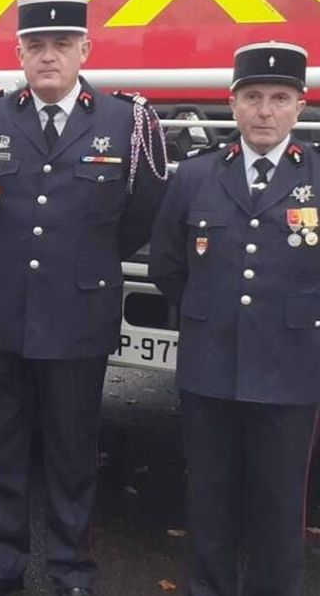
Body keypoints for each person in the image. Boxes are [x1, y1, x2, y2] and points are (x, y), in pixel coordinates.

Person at [0, 0, 168, 596]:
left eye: (61, 46)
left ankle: (71, 568)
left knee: (73, 450)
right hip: (3, 311)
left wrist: (85, 258)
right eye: (36, 47)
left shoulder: (125, 121)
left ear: (84, 50)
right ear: (19, 53)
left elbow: (143, 213)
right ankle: (1, 564)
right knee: (5, 444)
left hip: (78, 310)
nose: (48, 57)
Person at [150, 41, 319, 596]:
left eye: (278, 97)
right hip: (211, 365)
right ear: (232, 103)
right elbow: (167, 265)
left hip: (290, 369)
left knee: (278, 504)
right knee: (210, 497)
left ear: (300, 105)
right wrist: (209, 313)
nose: (264, 111)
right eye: (252, 97)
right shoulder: (195, 177)